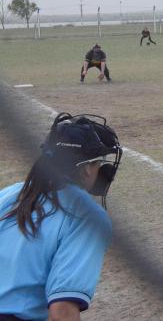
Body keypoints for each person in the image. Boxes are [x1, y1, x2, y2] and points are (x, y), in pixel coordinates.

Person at [0, 113, 123, 321]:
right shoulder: (87, 216)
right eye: (99, 163)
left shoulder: (10, 194)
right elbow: (62, 312)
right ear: (86, 169)